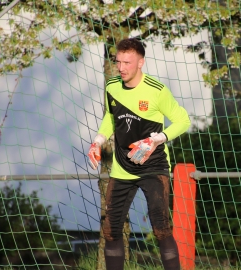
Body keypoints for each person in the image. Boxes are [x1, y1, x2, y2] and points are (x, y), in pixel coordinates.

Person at [88, 38, 191, 270]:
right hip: (122, 167)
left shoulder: (157, 90)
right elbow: (110, 117)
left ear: (141, 62)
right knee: (111, 230)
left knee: (161, 227)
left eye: (127, 62)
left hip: (153, 167)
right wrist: (98, 141)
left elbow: (182, 121)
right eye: (118, 62)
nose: (121, 67)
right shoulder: (112, 86)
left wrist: (157, 139)